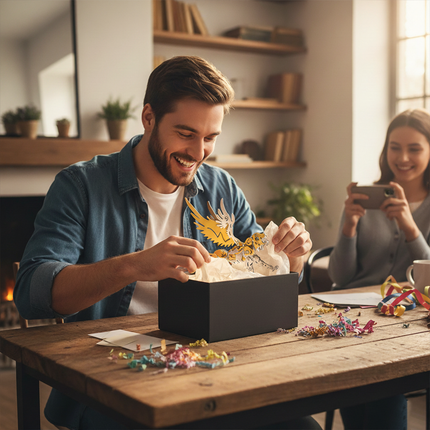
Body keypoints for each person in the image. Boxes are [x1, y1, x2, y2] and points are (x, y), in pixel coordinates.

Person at [14, 56, 317, 430]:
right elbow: (31, 293)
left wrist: (291, 258)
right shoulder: (81, 186)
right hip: (111, 377)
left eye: (210, 138)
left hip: (212, 365)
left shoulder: (221, 187)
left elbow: (262, 274)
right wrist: (136, 265)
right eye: (186, 133)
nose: (197, 152)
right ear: (148, 118)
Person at [328, 108, 430, 430]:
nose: (402, 157)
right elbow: (340, 278)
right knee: (359, 381)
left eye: (414, 148)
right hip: (356, 314)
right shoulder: (368, 200)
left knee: (379, 382)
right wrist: (348, 226)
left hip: (405, 320)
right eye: (394, 147)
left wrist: (409, 226)